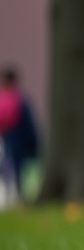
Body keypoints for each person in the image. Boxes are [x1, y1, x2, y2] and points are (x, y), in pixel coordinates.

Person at [0, 67, 39, 204]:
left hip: (10, 138)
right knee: (16, 167)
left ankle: (15, 194)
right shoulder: (21, 99)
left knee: (11, 166)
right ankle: (16, 194)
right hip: (14, 139)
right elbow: (29, 124)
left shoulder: (9, 99)